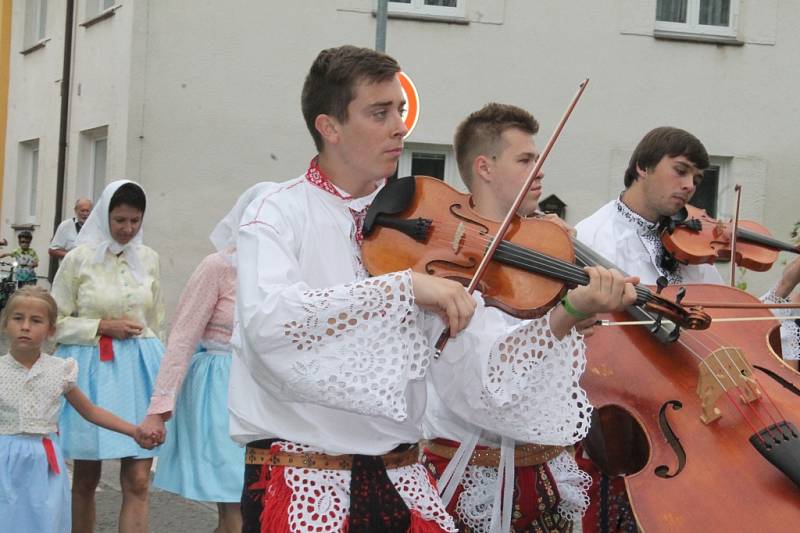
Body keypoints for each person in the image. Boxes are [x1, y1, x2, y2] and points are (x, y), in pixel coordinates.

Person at [224, 44, 507, 533]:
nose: (400, 126)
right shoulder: (275, 211)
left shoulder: (422, 221)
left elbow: (455, 360)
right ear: (329, 127)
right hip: (305, 476)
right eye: (380, 113)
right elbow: (271, 323)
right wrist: (402, 289)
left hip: (401, 473)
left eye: (400, 110)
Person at [419, 102, 638, 533]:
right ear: (484, 166)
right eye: (525, 159)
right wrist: (569, 313)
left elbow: (544, 360)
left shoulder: (542, 244)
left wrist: (575, 322)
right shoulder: (445, 264)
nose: (538, 170)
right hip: (469, 472)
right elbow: (487, 383)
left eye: (537, 158)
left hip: (546, 471)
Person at [574, 126, 800, 532]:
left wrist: (784, 286)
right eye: (680, 171)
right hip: (642, 416)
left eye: (697, 177)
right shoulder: (595, 236)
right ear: (642, 167)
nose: (690, 186)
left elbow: (725, 324)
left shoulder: (690, 240)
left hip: (699, 407)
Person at [135, 184, 275, 533]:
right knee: (236, 505)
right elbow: (182, 338)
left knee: (255, 507)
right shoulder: (217, 267)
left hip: (267, 395)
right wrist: (158, 410)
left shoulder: (284, 272)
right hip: (220, 394)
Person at [51, 180, 165, 533]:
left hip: (140, 371)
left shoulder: (148, 259)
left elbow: (156, 323)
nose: (127, 229)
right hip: (91, 372)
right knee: (86, 477)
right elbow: (53, 322)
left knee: (138, 479)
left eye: (134, 221)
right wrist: (101, 326)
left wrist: (165, 382)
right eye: (119, 220)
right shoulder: (78, 260)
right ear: (104, 216)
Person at [0, 286, 157, 533]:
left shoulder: (60, 370)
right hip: (4, 460)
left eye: (36, 320)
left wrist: (134, 431)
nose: (26, 326)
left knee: (44, 522)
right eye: (18, 318)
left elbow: (91, 411)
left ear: (51, 330)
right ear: (5, 323)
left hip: (44, 463)